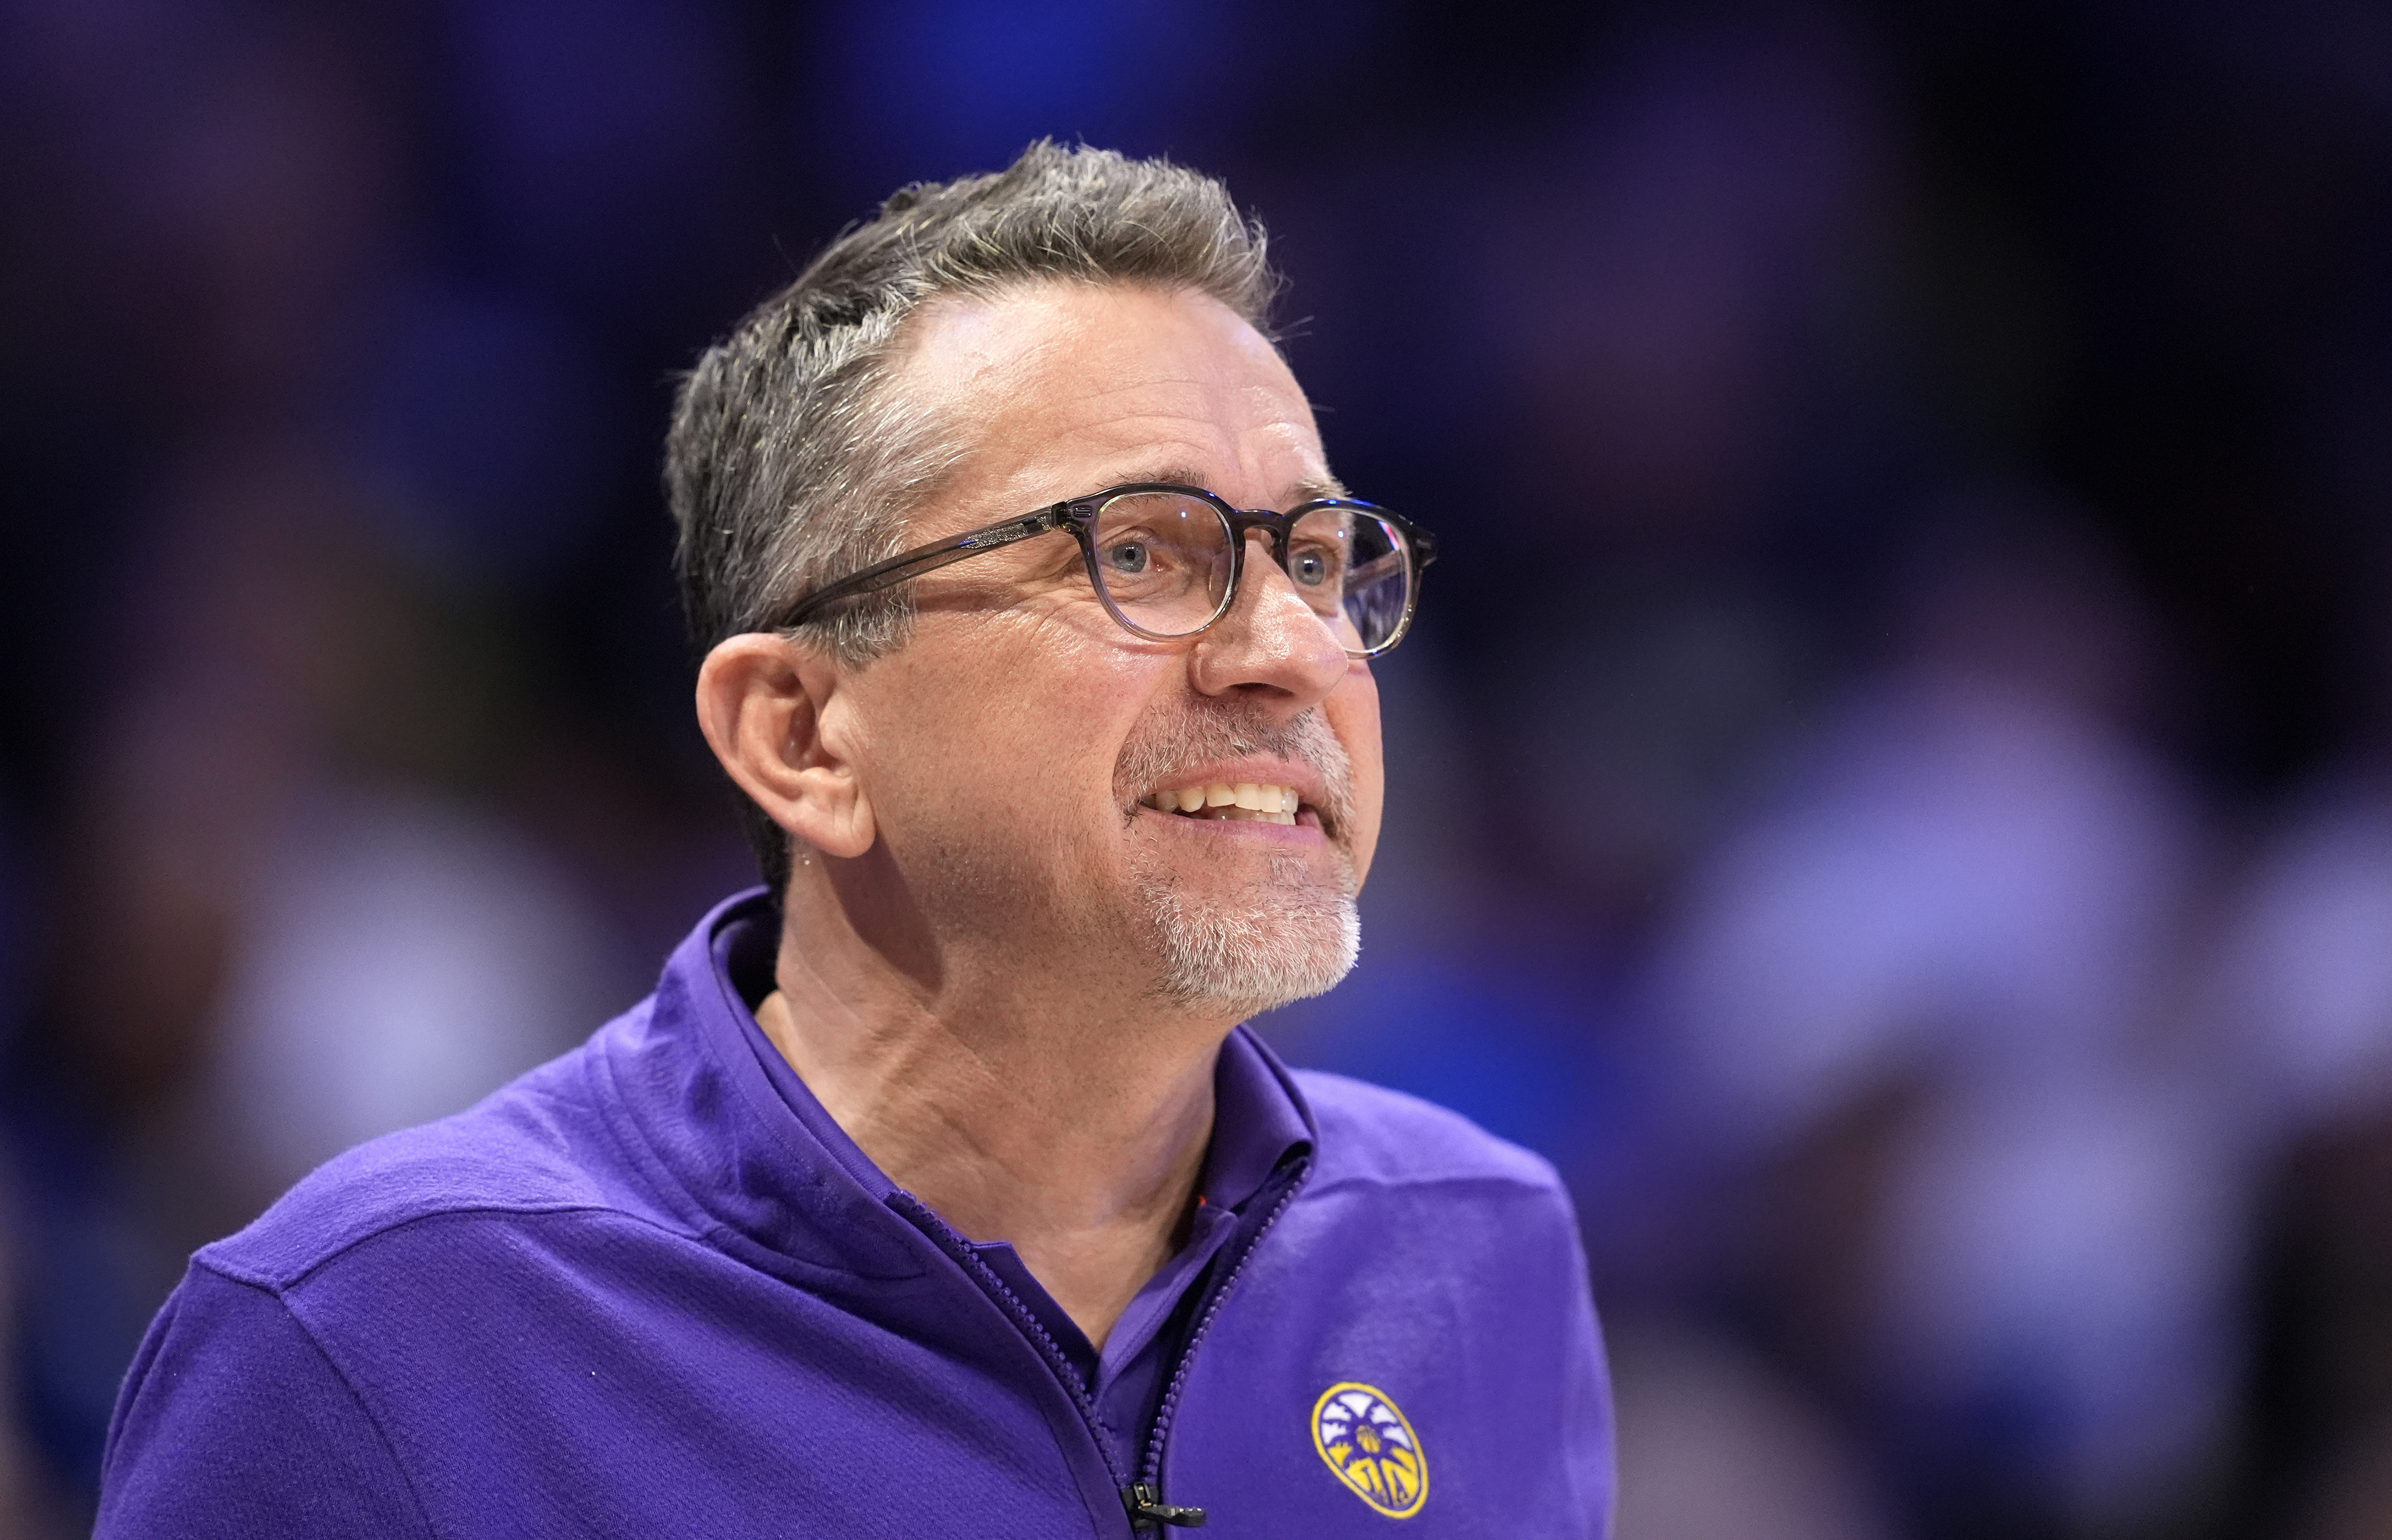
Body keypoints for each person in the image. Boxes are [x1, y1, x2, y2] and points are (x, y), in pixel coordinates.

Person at [93, 142, 1613, 1537]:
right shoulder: (376, 1344)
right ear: (803, 737)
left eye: (1321, 558)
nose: (1287, 645)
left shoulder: (1476, 1256)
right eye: (1142, 551)